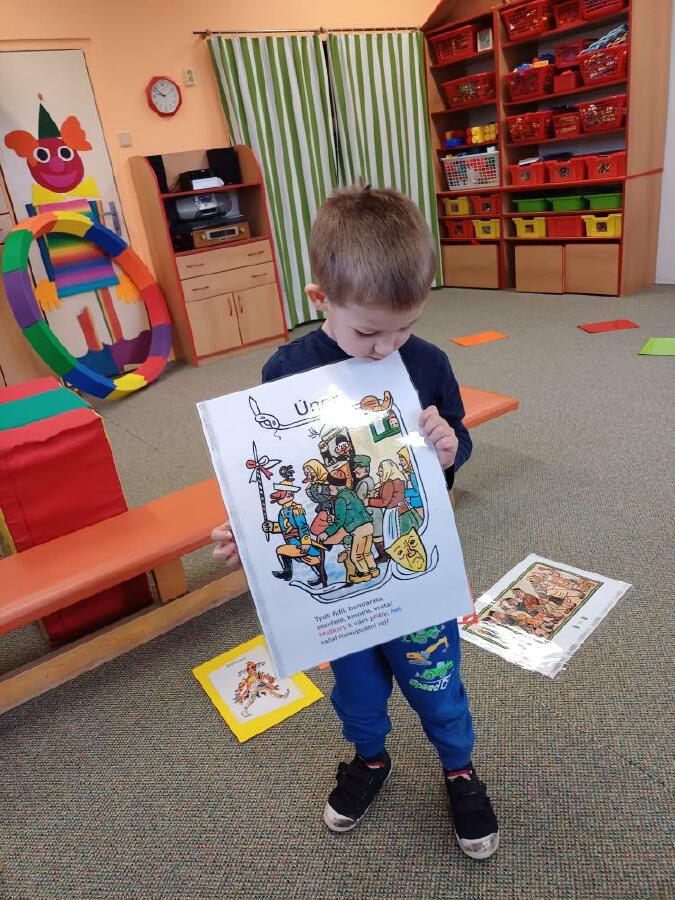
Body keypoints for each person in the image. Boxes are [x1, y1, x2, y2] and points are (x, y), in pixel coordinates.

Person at [211, 186, 498, 860]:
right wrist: (249, 533)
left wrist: (450, 447)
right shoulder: (287, 370)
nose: (385, 347)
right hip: (340, 582)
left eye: (404, 327)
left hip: (411, 572)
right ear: (320, 299)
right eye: (368, 332)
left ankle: (458, 769)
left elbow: (454, 439)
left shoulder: (427, 362)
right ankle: (370, 758)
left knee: (436, 685)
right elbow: (277, 473)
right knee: (357, 692)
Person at [317, 470, 378, 584]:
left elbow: (339, 522)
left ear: (336, 486)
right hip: (368, 525)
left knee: (356, 556)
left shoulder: (340, 499)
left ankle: (365, 574)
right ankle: (374, 570)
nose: (329, 489)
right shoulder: (350, 493)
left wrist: (326, 533)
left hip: (358, 529)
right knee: (366, 552)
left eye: (330, 486)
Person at [366, 458, 421, 542]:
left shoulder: (389, 483)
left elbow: (384, 502)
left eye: (381, 471)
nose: (378, 473)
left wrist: (369, 501)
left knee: (392, 535)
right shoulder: (399, 481)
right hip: (402, 509)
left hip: (392, 512)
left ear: (387, 470)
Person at [353, 454, 387, 563]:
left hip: (371, 513)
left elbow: (359, 501)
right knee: (376, 535)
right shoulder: (368, 479)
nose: (355, 470)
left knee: (377, 536)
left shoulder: (364, 482)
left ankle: (383, 556)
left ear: (365, 468)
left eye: (358, 467)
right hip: (373, 512)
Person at [302, 459, 333, 537]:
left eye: (311, 471)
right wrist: (311, 495)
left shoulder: (329, 479)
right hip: (324, 508)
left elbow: (335, 492)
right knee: (314, 529)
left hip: (334, 507)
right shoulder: (314, 485)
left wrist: (323, 489)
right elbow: (318, 500)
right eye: (307, 473)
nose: (309, 474)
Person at [398, 447, 424, 522]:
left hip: (418, 505)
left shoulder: (413, 475)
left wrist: (403, 493)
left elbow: (417, 491)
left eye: (402, 460)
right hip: (414, 505)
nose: (400, 463)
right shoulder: (410, 474)